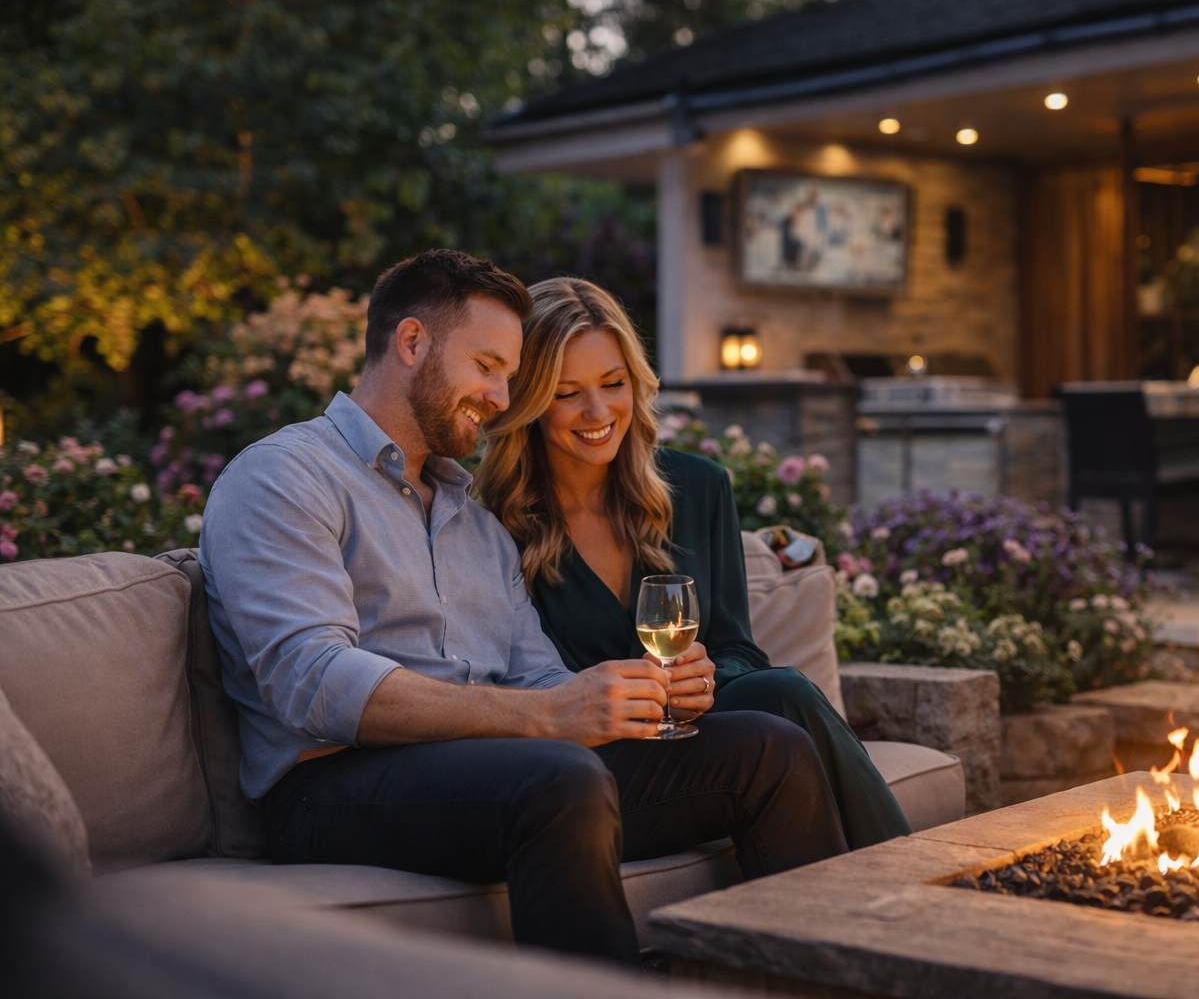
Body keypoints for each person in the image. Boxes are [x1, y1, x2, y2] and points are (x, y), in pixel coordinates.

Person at [199, 250, 847, 967]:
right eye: (488, 367)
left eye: (510, 376)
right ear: (412, 344)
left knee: (769, 749)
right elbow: (312, 680)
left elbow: (538, 675)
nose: (505, 399)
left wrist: (636, 694)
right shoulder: (285, 477)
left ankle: (847, 981)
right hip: (330, 788)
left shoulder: (473, 523)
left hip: (496, 769)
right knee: (559, 778)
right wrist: (544, 718)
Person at [475, 277, 910, 850]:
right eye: (566, 392)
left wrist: (704, 679)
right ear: (529, 401)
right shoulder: (492, 525)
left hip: (702, 731)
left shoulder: (698, 488)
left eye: (614, 382)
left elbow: (738, 650)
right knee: (782, 704)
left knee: (783, 692)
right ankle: (907, 884)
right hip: (595, 761)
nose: (598, 411)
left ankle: (901, 876)